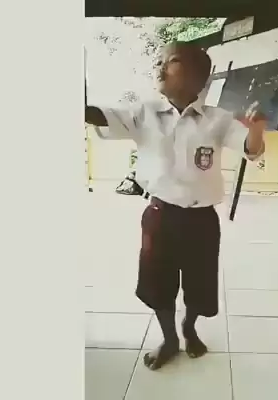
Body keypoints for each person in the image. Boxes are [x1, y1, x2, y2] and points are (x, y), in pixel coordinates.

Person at [85, 41, 266, 371]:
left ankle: (189, 327)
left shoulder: (217, 119)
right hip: (159, 216)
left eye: (171, 61)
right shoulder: (144, 112)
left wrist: (256, 130)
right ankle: (169, 338)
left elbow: (250, 150)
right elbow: (102, 116)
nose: (160, 65)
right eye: (159, 60)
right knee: (158, 283)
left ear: (197, 75)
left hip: (202, 220)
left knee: (200, 283)